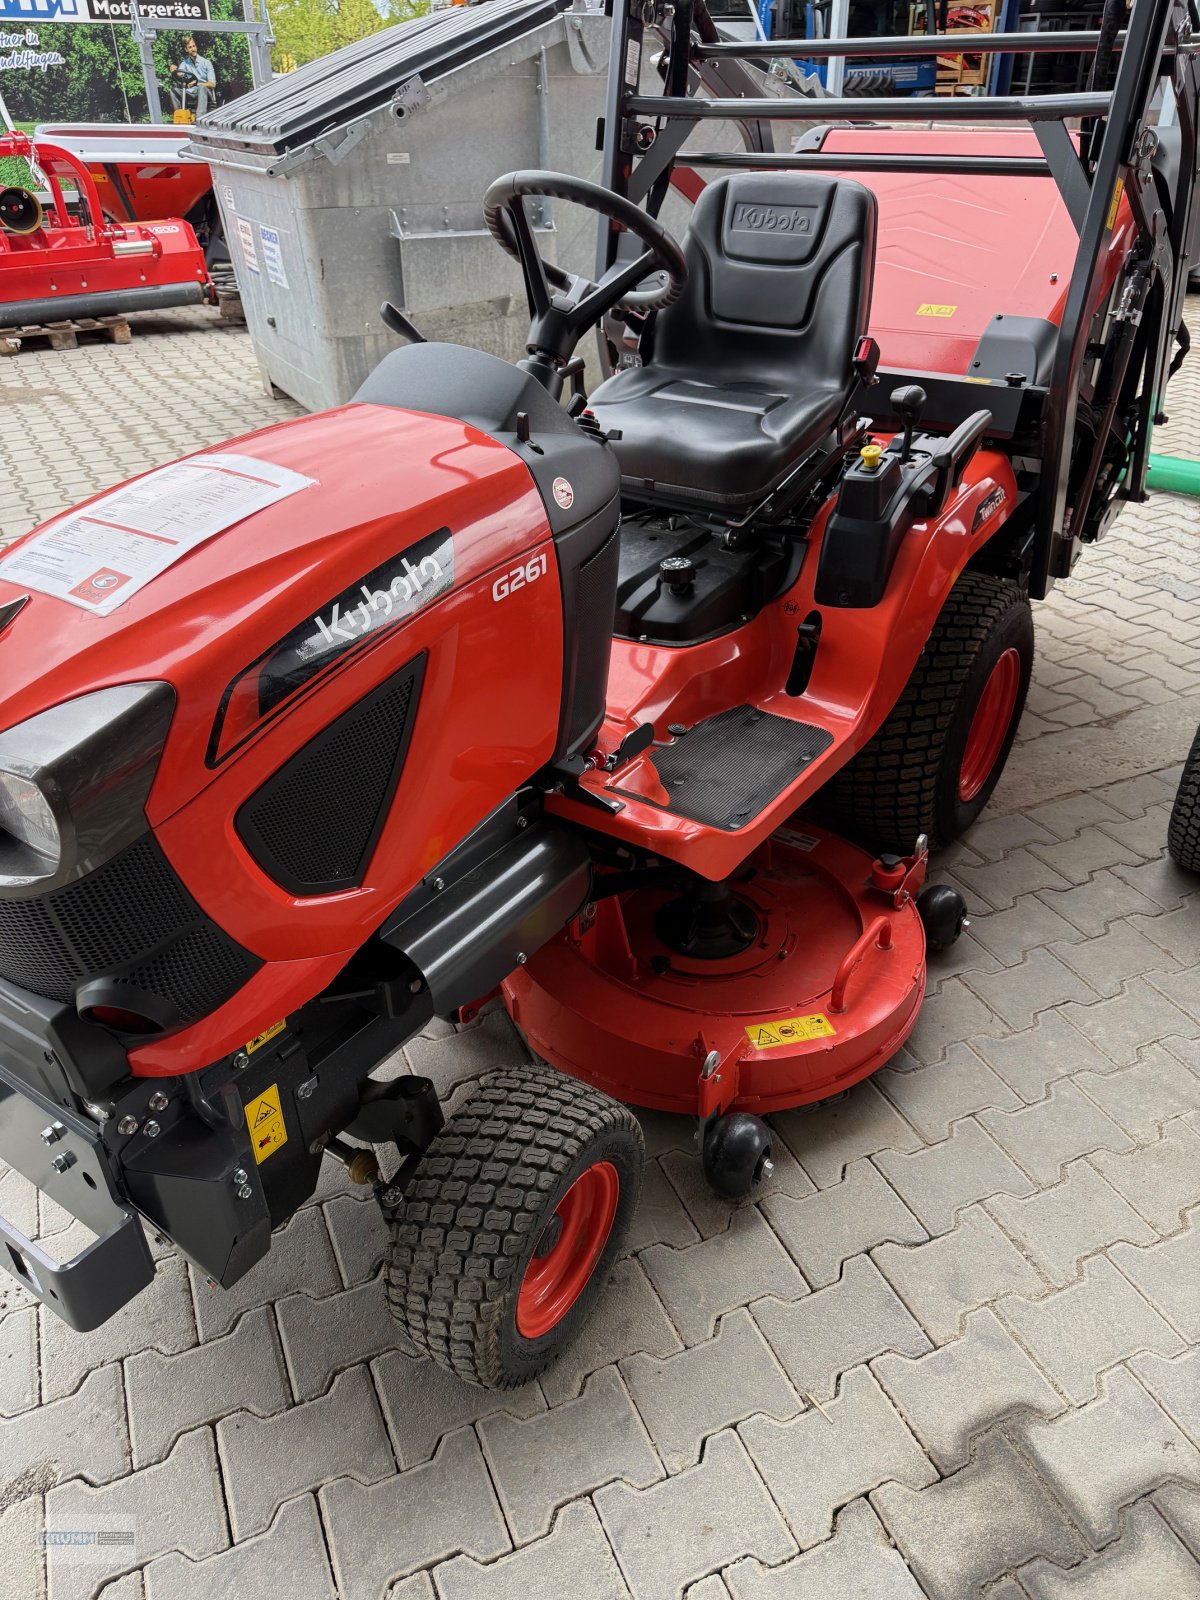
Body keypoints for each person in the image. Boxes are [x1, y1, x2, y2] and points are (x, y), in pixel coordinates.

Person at [166, 37, 216, 120]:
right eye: (190, 47)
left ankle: (199, 119)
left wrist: (197, 84)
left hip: (205, 92)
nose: (193, 49)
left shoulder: (206, 63)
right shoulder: (185, 63)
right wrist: (174, 71)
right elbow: (180, 75)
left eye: (194, 46)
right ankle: (180, 117)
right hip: (190, 92)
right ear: (186, 50)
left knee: (202, 87)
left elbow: (212, 84)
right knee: (173, 90)